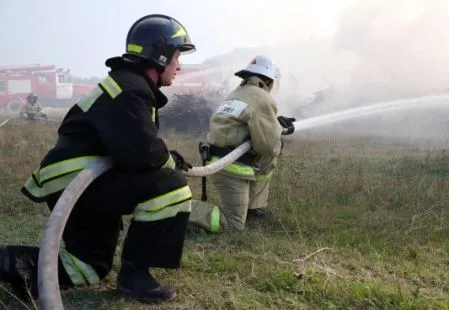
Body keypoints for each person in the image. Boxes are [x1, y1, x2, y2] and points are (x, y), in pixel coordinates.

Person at [0, 14, 196, 304]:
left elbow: (136, 147)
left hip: (76, 180)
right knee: (172, 186)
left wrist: (163, 157)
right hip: (77, 179)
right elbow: (143, 155)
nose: (179, 65)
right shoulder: (129, 88)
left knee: (89, 267)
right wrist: (169, 162)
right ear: (161, 54)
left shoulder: (129, 86)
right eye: (178, 56)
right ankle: (135, 276)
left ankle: (8, 264)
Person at [188, 56, 296, 233]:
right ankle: (178, 210)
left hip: (216, 159)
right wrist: (276, 132)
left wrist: (273, 124)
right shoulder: (263, 98)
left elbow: (242, 125)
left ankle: (253, 208)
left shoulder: (236, 94)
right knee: (232, 225)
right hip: (232, 168)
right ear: (268, 80)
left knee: (267, 161)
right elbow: (268, 147)